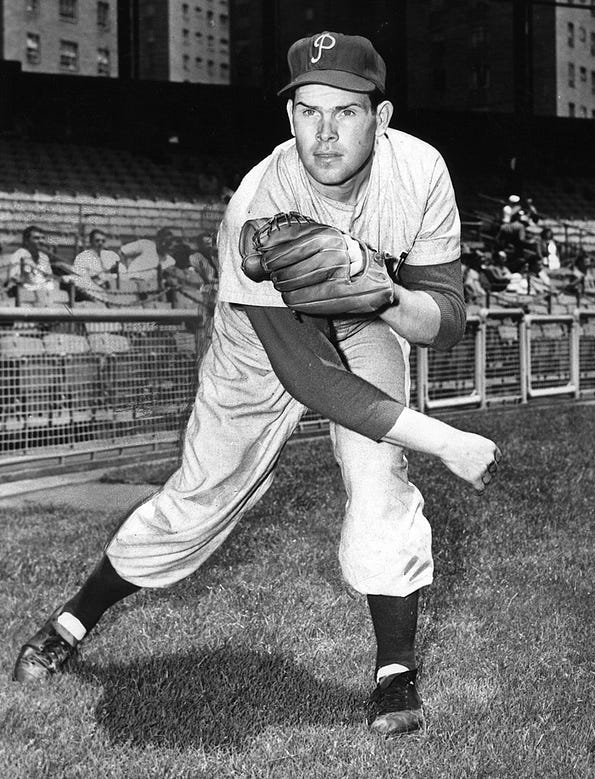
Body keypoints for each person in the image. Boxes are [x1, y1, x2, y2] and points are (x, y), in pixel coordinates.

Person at [11, 31, 501, 739]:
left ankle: (395, 672)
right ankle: (71, 618)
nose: (325, 132)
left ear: (382, 116)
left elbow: (447, 317)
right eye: (307, 111)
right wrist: (445, 438)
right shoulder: (257, 202)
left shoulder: (420, 171)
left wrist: (385, 295)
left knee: (379, 478)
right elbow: (309, 376)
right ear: (289, 116)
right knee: (200, 498)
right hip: (260, 344)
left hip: (362, 320)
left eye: (347, 111)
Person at [6, 225, 57, 305]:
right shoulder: (18, 255)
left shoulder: (44, 257)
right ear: (26, 241)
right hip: (26, 296)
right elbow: (14, 279)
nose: (41, 241)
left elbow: (49, 278)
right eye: (36, 238)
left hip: (45, 295)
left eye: (43, 238)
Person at [69, 229, 124, 300]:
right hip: (92, 294)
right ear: (91, 241)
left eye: (103, 241)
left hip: (111, 292)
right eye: (97, 240)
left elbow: (123, 273)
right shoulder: (82, 257)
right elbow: (80, 279)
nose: (100, 243)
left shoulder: (110, 256)